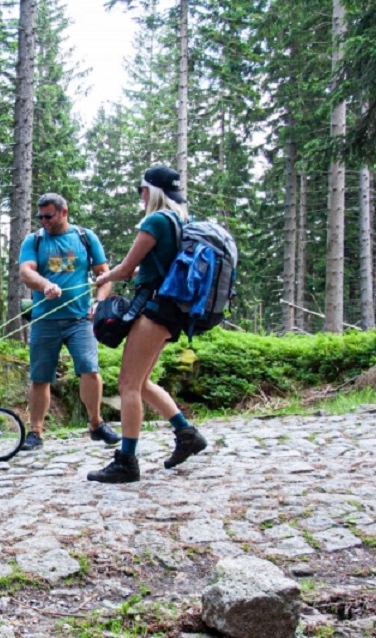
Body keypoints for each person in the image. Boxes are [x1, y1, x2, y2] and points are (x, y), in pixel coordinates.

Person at [87, 164, 208, 483]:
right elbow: (157, 266)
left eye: (141, 190)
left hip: (156, 310)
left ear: (151, 191)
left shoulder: (156, 220)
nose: (139, 196)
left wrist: (103, 278)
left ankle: (127, 460)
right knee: (141, 383)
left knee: (127, 383)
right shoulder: (182, 220)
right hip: (172, 311)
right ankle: (186, 434)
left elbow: (126, 269)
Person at [19, 193, 119, 451]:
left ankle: (96, 424)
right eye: (40, 216)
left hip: (80, 319)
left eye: (48, 216)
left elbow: (104, 275)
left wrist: (99, 303)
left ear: (64, 212)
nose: (44, 221)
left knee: (90, 369)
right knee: (40, 377)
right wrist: (46, 284)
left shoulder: (85, 237)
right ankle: (36, 432)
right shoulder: (35, 240)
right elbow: (26, 272)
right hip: (44, 320)